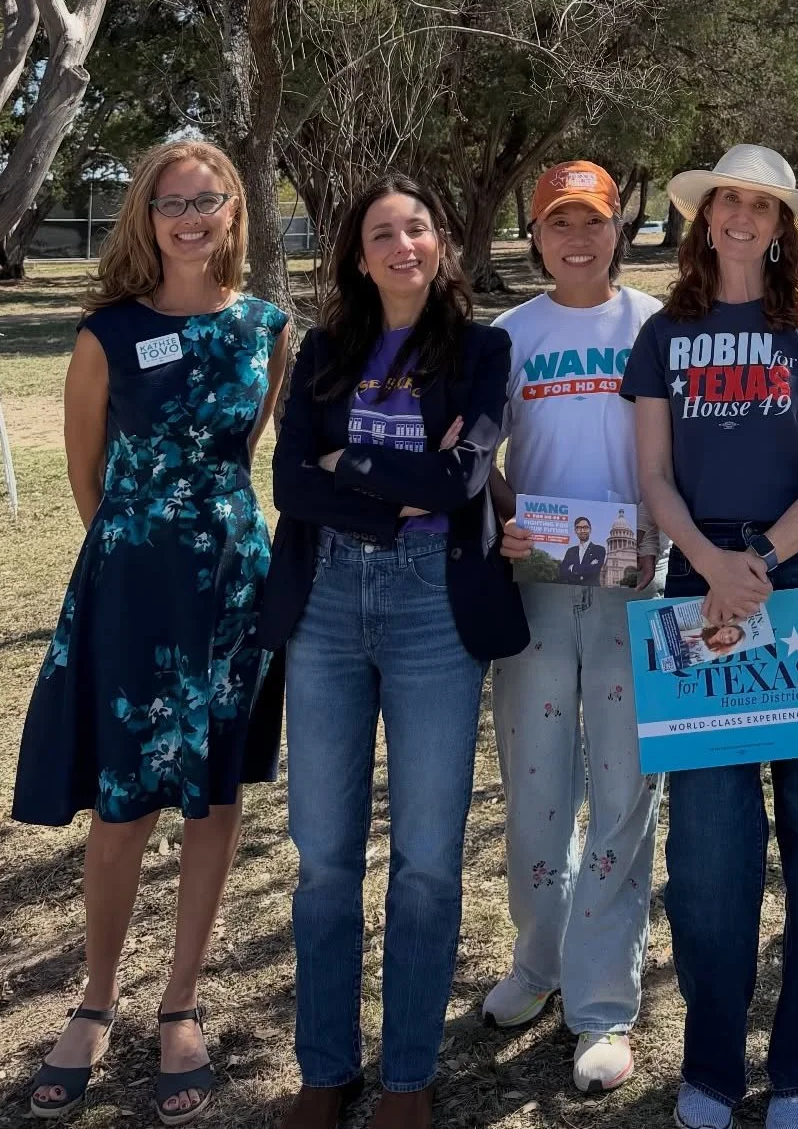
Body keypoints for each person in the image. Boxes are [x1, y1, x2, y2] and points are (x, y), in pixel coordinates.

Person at [12, 141, 291, 1125]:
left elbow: (245, 452)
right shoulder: (109, 331)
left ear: (231, 210)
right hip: (131, 583)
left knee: (212, 802)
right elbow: (89, 475)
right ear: (147, 213)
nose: (190, 215)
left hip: (231, 585)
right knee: (122, 806)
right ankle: (95, 1000)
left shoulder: (267, 327)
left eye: (207, 198)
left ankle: (182, 1002)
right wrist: (139, 548)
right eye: (171, 201)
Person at [259, 176, 528, 1129]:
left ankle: (408, 1076)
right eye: (382, 232)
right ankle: (325, 1068)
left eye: (418, 225)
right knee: (325, 857)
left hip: (431, 608)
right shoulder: (327, 348)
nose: (402, 244)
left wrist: (352, 462)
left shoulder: (484, 350)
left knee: (425, 859)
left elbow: (461, 483)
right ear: (359, 254)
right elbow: (293, 482)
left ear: (442, 241)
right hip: (326, 602)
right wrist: (386, 478)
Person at [621, 144, 798, 1129]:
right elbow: (653, 477)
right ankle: (712, 1070)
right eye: (726, 202)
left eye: (760, 209)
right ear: (703, 216)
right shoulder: (663, 336)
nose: (740, 220)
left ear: (782, 227)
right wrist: (714, 567)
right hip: (696, 588)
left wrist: (756, 558)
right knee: (712, 855)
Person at [483, 160, 665, 1094]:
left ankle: (603, 1002)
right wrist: (511, 515)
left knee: (627, 789)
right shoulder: (508, 336)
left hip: (640, 582)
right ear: (536, 235)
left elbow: (681, 448)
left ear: (617, 229)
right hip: (539, 586)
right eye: (560, 222)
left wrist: (665, 529)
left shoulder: (656, 325)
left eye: (593, 219)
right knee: (538, 789)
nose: (578, 237)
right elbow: (481, 457)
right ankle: (536, 962)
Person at [559, 515, 607, 584]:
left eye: (585, 528)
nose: (582, 531)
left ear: (590, 530)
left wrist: (572, 568)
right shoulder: (570, 551)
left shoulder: (599, 550)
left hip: (591, 592)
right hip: (572, 591)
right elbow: (563, 573)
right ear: (575, 531)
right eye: (578, 528)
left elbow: (594, 570)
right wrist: (589, 566)